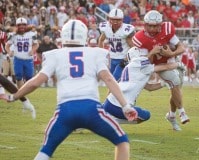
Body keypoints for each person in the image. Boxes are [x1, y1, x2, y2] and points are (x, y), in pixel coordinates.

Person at [1, 20, 138, 160]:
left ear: (63, 35)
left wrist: (14, 96)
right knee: (122, 141)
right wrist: (126, 106)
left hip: (64, 111)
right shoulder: (96, 53)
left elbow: (35, 82)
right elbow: (108, 79)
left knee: (46, 150)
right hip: (92, 110)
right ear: (84, 36)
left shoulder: (54, 54)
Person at [132, 10, 190, 131]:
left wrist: (171, 53)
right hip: (157, 65)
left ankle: (171, 115)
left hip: (171, 61)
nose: (152, 29)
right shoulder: (140, 38)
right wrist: (152, 52)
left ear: (160, 25)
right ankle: (182, 112)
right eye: (150, 25)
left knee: (176, 88)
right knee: (174, 81)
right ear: (145, 25)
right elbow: (143, 62)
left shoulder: (167, 29)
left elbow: (181, 47)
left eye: (155, 26)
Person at [103, 47, 186, 124]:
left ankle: (108, 121)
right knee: (145, 115)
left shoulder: (131, 68)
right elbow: (165, 67)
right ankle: (112, 122)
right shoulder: (138, 63)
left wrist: (165, 83)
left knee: (94, 118)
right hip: (119, 106)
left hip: (109, 102)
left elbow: (149, 87)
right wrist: (179, 64)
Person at [98, 8, 135, 81]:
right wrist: (101, 54)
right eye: (113, 19)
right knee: (113, 81)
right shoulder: (106, 28)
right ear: (109, 19)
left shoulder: (125, 31)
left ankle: (110, 93)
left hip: (122, 59)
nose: (115, 22)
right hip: (112, 58)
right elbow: (101, 40)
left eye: (118, 20)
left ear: (122, 20)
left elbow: (132, 47)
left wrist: (126, 59)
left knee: (112, 80)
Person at [5, 17, 39, 89]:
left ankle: (24, 90)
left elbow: (36, 44)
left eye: (23, 25)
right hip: (18, 59)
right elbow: (7, 46)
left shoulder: (31, 34)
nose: (21, 26)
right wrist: (9, 52)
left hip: (28, 59)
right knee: (18, 76)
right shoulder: (13, 35)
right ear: (17, 26)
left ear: (26, 25)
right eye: (19, 25)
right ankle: (21, 92)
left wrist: (32, 50)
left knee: (29, 77)